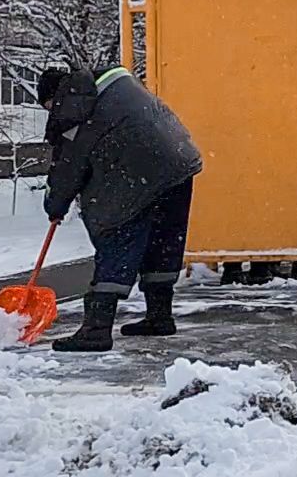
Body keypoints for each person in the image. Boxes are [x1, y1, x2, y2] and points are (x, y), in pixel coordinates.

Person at [39, 66, 203, 351]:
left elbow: (68, 168)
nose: (52, 112)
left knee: (116, 235)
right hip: (177, 162)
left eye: (48, 106)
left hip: (137, 171)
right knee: (162, 241)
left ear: (55, 96)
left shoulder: (72, 107)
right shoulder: (114, 82)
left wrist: (55, 204)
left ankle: (96, 330)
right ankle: (159, 316)